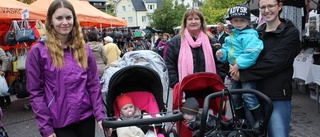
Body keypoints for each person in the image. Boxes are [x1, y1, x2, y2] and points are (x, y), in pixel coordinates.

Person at [25, 1, 106, 137]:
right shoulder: (38, 52)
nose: (65, 22)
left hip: (85, 118)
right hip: (58, 121)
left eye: (68, 17)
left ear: (74, 20)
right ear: (51, 21)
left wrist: (99, 114)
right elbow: (35, 93)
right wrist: (46, 127)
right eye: (59, 18)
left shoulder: (84, 49)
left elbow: (93, 84)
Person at [230, 0, 301, 136]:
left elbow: (275, 62)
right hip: (253, 95)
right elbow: (240, 55)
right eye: (263, 7)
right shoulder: (256, 32)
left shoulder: (290, 32)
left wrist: (243, 74)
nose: (267, 10)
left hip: (277, 96)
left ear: (280, 6)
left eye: (270, 6)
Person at [216, 5, 264, 128]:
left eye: (242, 20)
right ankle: (240, 119)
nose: (238, 23)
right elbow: (228, 50)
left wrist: (237, 65)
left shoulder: (250, 35)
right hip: (235, 70)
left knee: (248, 95)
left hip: (246, 70)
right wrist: (221, 54)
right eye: (236, 20)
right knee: (234, 95)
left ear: (248, 21)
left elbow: (252, 52)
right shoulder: (231, 36)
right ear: (231, 22)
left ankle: (260, 119)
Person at [165, 8, 220, 88]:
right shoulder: (175, 42)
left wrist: (218, 81)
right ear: (185, 22)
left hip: (209, 88)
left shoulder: (212, 41)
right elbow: (169, 65)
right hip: (185, 89)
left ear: (201, 22)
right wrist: (176, 84)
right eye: (190, 19)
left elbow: (220, 63)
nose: (193, 22)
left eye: (196, 19)